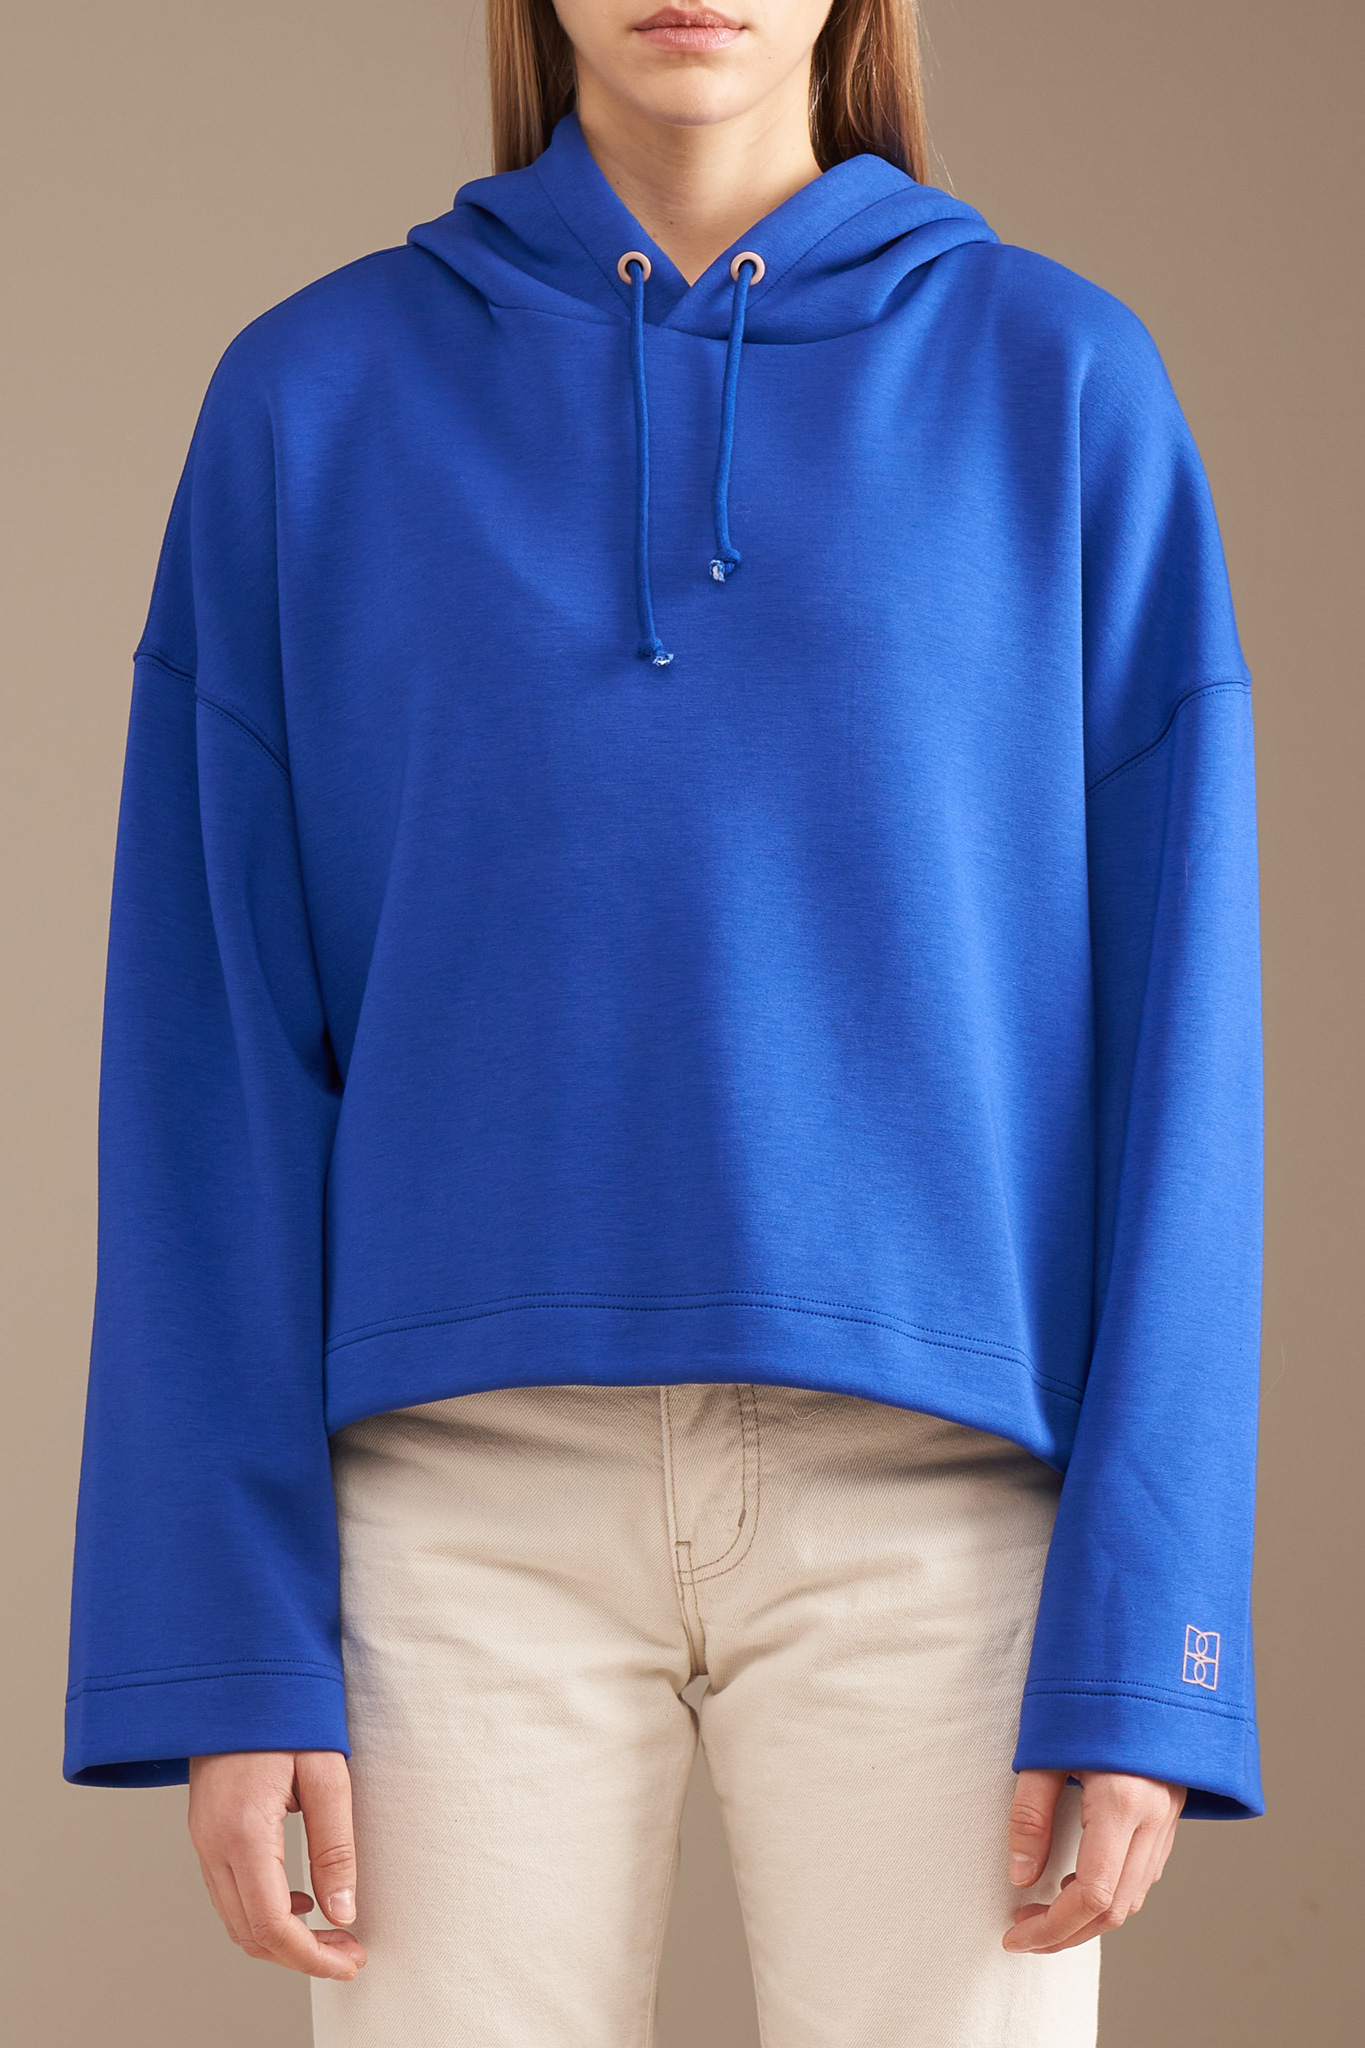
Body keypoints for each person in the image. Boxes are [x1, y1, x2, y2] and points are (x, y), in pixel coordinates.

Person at [64, 0, 1265, 2041]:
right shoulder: (310, 398)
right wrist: (225, 1638)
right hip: (446, 1507)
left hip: (940, 1506)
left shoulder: (1059, 382)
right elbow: (209, 1050)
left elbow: (1181, 1046)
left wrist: (1148, 1639)